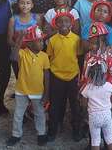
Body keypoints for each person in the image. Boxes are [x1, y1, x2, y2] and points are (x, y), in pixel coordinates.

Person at [6, 25, 50, 146]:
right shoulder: (23, 53)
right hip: (22, 90)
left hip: (38, 91)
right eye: (39, 41)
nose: (42, 43)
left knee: (39, 113)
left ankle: (41, 134)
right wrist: (20, 37)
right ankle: (16, 134)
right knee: (18, 114)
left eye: (42, 40)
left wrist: (46, 93)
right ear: (30, 44)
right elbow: (13, 56)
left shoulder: (44, 56)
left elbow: (47, 76)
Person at [46, 11, 83, 142]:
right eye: (60, 22)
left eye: (67, 21)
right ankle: (53, 130)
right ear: (55, 24)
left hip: (73, 76)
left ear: (71, 24)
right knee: (55, 105)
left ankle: (76, 130)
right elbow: (49, 57)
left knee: (75, 105)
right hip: (56, 76)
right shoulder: (52, 40)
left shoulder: (76, 39)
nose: (63, 24)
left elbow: (78, 57)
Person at [81, 62, 112, 150]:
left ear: (90, 75)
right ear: (104, 74)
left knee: (95, 141)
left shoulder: (88, 88)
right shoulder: (108, 86)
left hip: (94, 117)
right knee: (110, 138)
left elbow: (84, 104)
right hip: (107, 115)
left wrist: (85, 115)